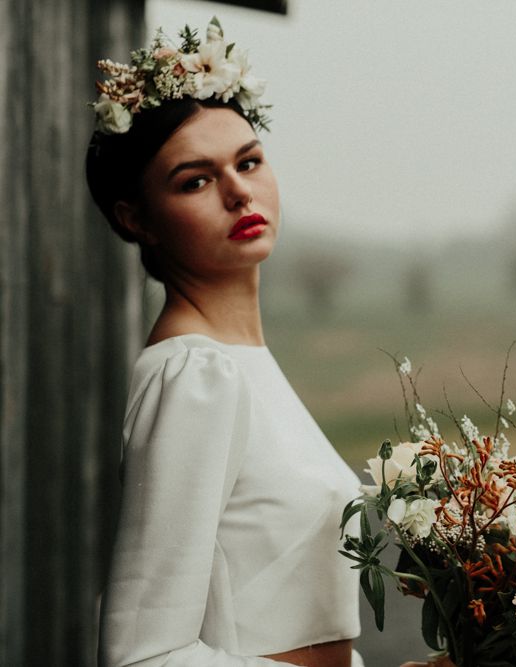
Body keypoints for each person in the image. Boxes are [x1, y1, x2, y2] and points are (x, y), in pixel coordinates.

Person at [87, 18, 363, 667]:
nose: (239, 191)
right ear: (135, 218)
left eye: (248, 161)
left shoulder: (243, 364)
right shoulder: (193, 375)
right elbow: (143, 655)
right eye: (195, 180)